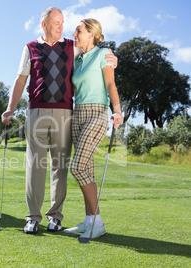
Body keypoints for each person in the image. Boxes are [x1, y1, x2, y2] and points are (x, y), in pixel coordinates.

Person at [1, 7, 117, 234]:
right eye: (56, 23)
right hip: (36, 112)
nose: (61, 27)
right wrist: (9, 108)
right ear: (44, 25)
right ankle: (33, 217)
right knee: (35, 165)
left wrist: (113, 57)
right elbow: (21, 79)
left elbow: (94, 52)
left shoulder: (71, 46)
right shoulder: (31, 48)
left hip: (65, 113)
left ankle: (55, 216)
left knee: (60, 166)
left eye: (63, 22)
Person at [63, 18, 123, 239]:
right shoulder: (78, 59)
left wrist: (117, 110)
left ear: (92, 33)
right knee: (87, 169)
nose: (74, 33)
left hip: (97, 114)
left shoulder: (103, 54)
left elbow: (110, 84)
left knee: (77, 167)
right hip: (78, 114)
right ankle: (89, 221)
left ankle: (97, 222)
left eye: (78, 30)